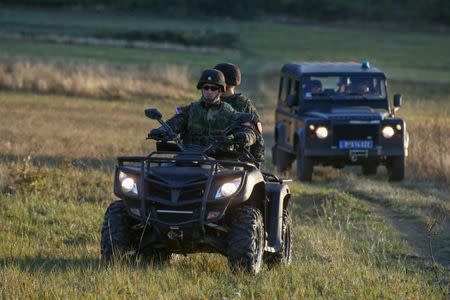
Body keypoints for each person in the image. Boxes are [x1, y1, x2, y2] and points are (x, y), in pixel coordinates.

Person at [149, 69, 256, 150]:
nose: (209, 91)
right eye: (206, 88)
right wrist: (161, 131)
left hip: (221, 161)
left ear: (220, 91)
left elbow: (250, 132)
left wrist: (245, 137)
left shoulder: (230, 113)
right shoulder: (190, 110)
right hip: (190, 158)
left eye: (213, 88)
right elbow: (174, 124)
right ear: (201, 89)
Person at [213, 63, 265, 163]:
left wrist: (256, 162)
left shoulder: (243, 105)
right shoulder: (209, 100)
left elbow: (257, 136)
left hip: (232, 158)